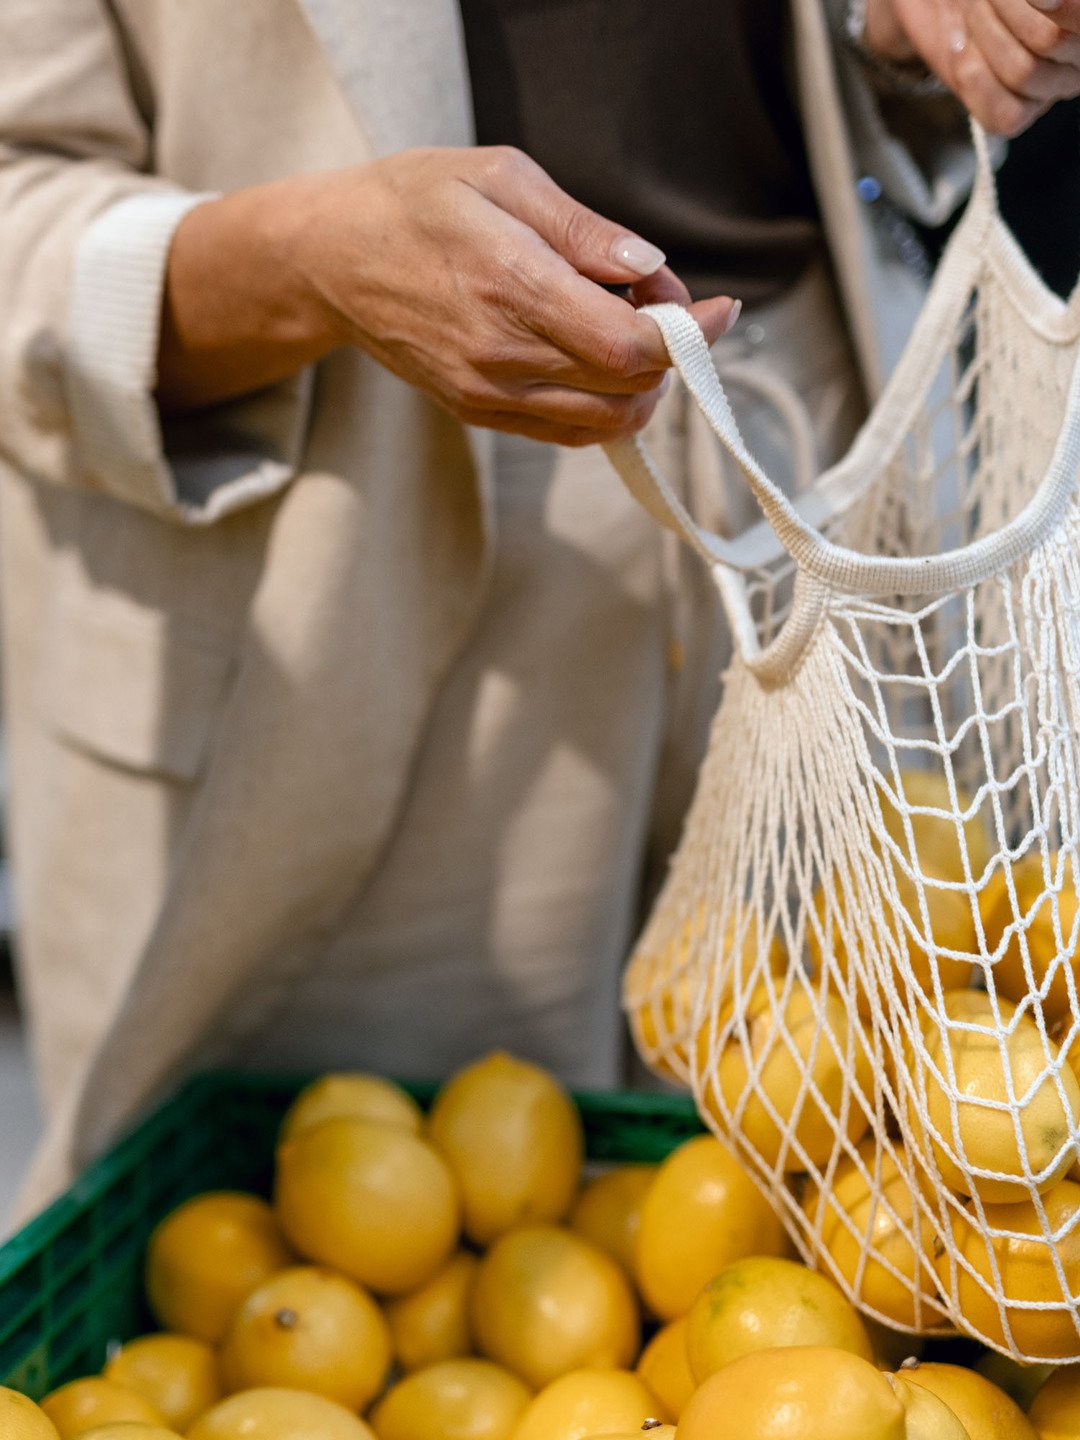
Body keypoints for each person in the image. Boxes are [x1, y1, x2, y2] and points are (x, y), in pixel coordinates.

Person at [0, 0, 1077, 1219]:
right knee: (367, 1288)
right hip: (339, 553)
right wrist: (306, 256)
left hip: (816, 488)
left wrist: (892, 35)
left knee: (870, 1230)